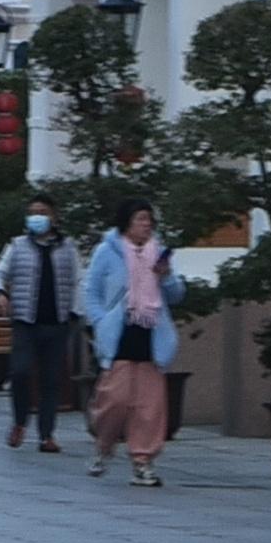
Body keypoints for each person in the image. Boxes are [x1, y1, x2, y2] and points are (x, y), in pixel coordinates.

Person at [77, 193, 183, 489]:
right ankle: (104, 444)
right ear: (126, 224)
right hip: (119, 333)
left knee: (150, 407)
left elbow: (176, 295)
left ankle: (143, 461)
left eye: (149, 220)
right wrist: (99, 320)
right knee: (115, 399)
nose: (146, 226)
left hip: (151, 334)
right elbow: (92, 290)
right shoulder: (107, 251)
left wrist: (166, 276)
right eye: (140, 220)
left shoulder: (158, 252)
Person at [0, 202, 83, 452]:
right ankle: (20, 421)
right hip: (25, 321)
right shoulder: (17, 246)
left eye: (43, 213)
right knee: (20, 372)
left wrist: (74, 312)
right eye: (32, 213)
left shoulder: (67, 247)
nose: (37, 218)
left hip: (57, 322)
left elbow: (78, 281)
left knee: (51, 380)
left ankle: (46, 434)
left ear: (54, 217)